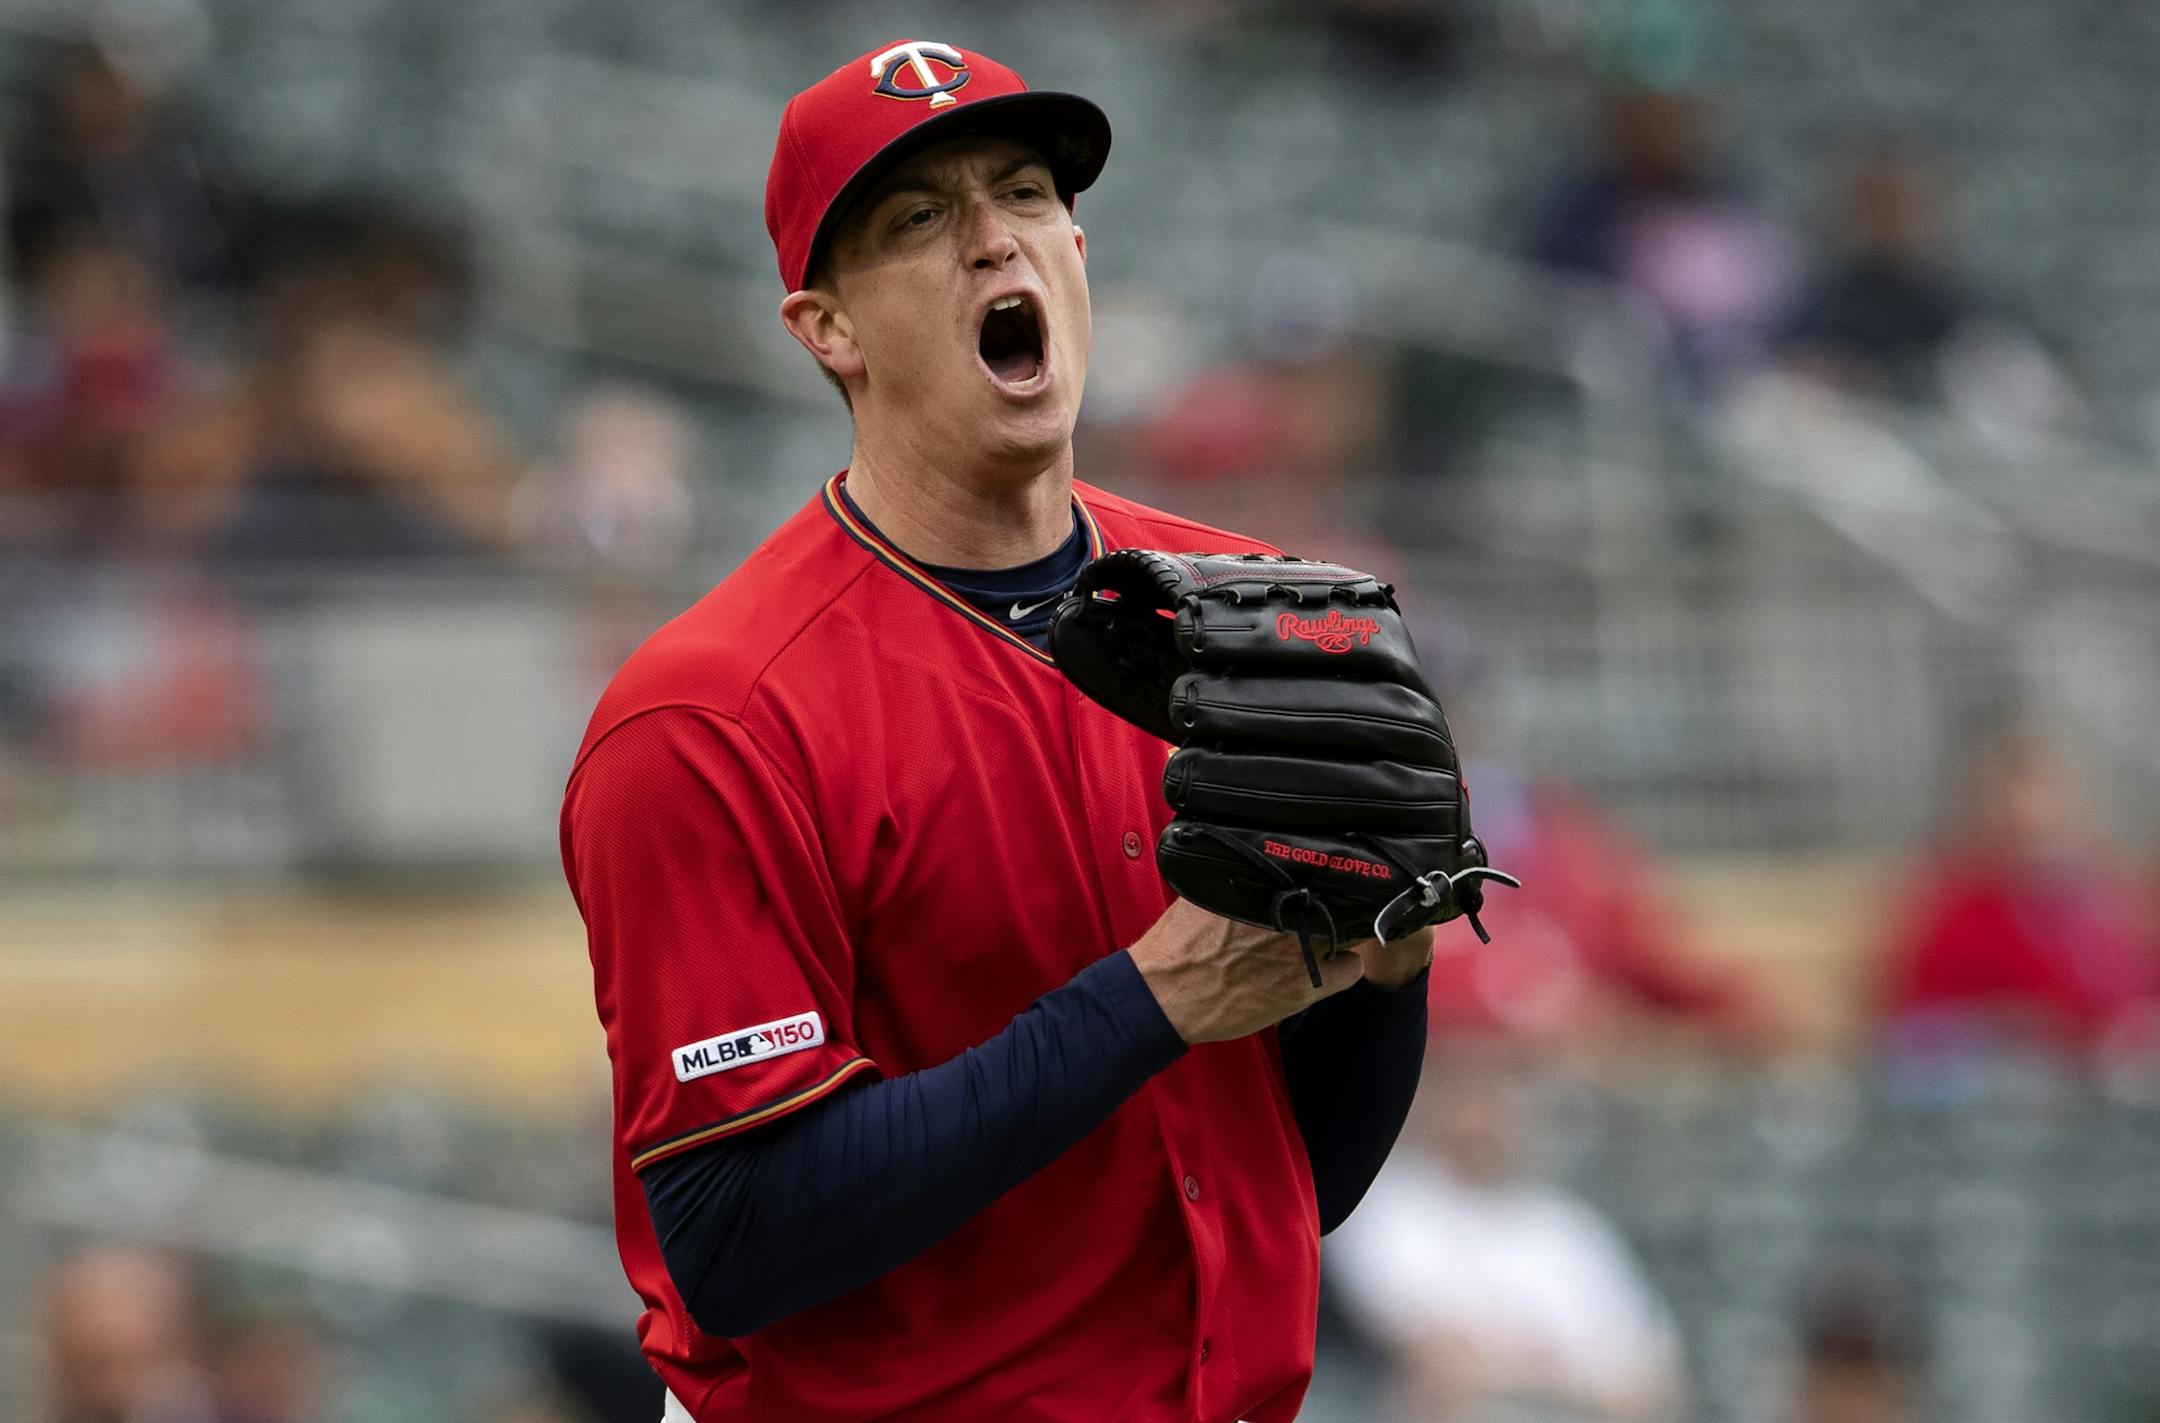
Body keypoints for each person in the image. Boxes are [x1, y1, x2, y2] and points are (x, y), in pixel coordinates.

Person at [561, 39, 1447, 1422]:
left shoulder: (1260, 613)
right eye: (920, 217)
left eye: (1025, 193)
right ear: (827, 328)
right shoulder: (708, 715)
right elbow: (735, 1232)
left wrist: (1388, 966)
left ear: (1077, 250)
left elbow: (1297, 1177)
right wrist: (1153, 999)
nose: (993, 240)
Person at [1326, 1045, 1684, 1420]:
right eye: (1466, 1092)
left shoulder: (1569, 1226)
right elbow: (1430, 1361)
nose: (1484, 1115)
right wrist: (1560, 1370)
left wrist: (1511, 1370)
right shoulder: (1386, 1201)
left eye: (1501, 1091)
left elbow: (1653, 1381)